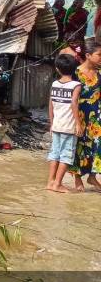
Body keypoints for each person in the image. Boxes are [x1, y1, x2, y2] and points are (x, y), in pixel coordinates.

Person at [48, 54, 82, 192]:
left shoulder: (54, 84)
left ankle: (50, 182)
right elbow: (74, 103)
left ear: (57, 69)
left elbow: (50, 104)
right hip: (69, 126)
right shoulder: (76, 85)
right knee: (66, 155)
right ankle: (58, 184)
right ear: (74, 69)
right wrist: (78, 123)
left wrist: (51, 123)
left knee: (54, 153)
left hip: (56, 125)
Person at [74, 44, 101, 192]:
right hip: (80, 116)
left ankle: (92, 176)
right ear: (88, 55)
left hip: (97, 116)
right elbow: (70, 99)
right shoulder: (75, 73)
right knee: (79, 145)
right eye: (99, 55)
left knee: (98, 146)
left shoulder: (100, 73)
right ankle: (78, 178)